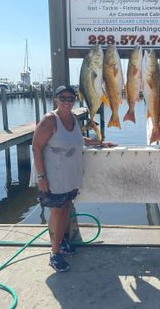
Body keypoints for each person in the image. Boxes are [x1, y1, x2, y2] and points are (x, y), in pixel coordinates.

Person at [32, 85, 116, 272]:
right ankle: (54, 254)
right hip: (53, 177)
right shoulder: (49, 120)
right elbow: (36, 147)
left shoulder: (74, 118)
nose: (67, 102)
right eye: (63, 98)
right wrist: (41, 177)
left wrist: (99, 143)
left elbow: (78, 139)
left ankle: (61, 243)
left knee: (66, 209)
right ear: (56, 99)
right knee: (57, 212)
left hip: (70, 176)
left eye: (71, 98)